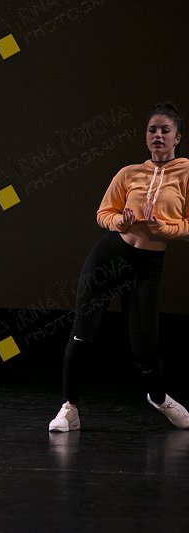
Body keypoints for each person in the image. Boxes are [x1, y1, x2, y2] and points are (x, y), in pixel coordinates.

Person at [49, 102, 189, 432]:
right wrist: (119, 222)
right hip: (110, 257)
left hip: (147, 267)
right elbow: (103, 213)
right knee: (82, 333)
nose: (157, 135)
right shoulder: (129, 173)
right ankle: (69, 408)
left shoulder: (186, 175)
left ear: (177, 137)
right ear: (146, 136)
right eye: (152, 130)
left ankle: (159, 397)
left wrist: (164, 228)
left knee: (145, 348)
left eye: (165, 130)